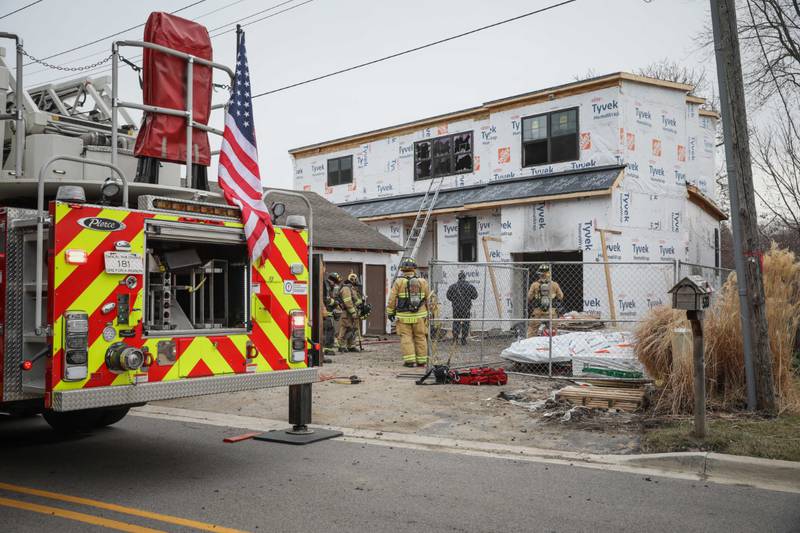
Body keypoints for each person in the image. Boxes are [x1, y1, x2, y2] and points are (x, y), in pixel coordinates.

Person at [387, 258, 430, 367]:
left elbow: (392, 299)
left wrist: (390, 312)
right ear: (414, 269)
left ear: (402, 269)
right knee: (420, 337)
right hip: (420, 316)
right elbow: (429, 298)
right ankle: (422, 361)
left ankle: (410, 362)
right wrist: (431, 312)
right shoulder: (422, 281)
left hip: (403, 316)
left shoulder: (398, 282)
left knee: (406, 337)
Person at [526, 264, 564, 337]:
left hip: (537, 312)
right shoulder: (554, 284)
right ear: (549, 273)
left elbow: (529, 297)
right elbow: (561, 297)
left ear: (539, 274)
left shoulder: (534, 285)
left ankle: (530, 345)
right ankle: (551, 345)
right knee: (552, 331)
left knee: (532, 330)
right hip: (551, 312)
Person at [446, 271, 478, 344]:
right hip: (466, 308)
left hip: (456, 308)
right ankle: (464, 339)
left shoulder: (453, 286)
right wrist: (468, 297)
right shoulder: (469, 286)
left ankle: (455, 339)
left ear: (458, 277)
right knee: (466, 323)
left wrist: (455, 300)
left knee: (456, 322)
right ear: (464, 277)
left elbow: (448, 296)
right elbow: (475, 296)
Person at [337, 272, 363, 352]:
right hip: (347, 313)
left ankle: (351, 346)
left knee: (353, 329)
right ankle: (341, 346)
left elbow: (355, 300)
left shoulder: (352, 288)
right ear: (353, 279)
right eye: (356, 280)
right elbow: (347, 302)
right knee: (345, 329)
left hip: (352, 312)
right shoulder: (346, 288)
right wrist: (353, 312)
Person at [323, 272, 342, 356]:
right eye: (335, 283)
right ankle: (326, 349)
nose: (335, 285)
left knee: (330, 330)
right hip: (325, 314)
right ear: (332, 281)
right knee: (328, 331)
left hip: (328, 314)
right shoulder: (326, 286)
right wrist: (335, 303)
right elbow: (326, 300)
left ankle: (327, 348)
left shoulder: (329, 287)